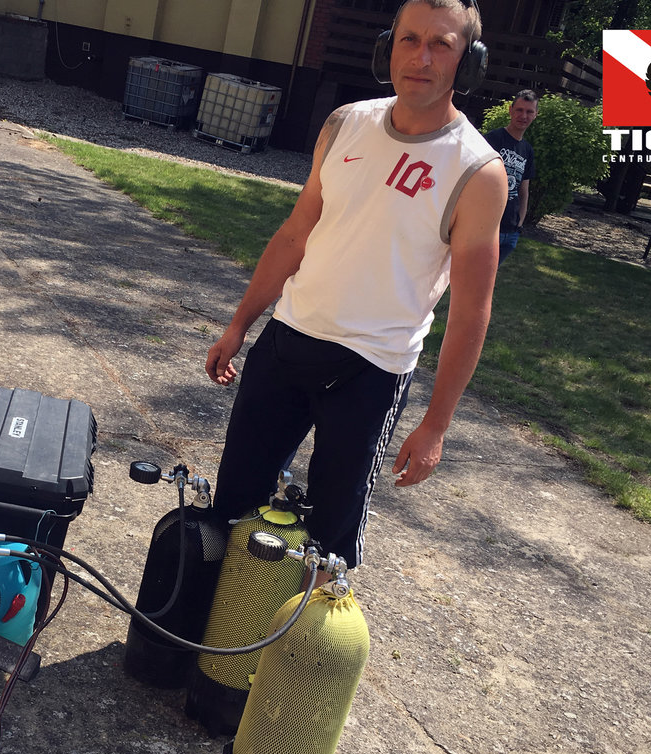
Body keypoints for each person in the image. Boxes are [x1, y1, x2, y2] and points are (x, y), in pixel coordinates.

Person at [204, 0, 507, 570]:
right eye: (409, 39)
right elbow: (295, 234)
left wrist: (435, 426)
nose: (421, 57)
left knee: (327, 548)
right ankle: (218, 623)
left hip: (370, 371)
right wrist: (239, 324)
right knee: (231, 510)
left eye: (440, 44)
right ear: (387, 47)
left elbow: (472, 311)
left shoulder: (477, 172)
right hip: (288, 341)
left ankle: (301, 631)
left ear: (469, 62)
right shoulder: (345, 124)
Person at [486, 90, 538, 263]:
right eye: (519, 110)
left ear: (535, 115)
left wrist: (520, 223)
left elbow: (524, 190)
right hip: (487, 227)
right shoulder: (492, 139)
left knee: (490, 277)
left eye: (529, 111)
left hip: (511, 231)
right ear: (510, 110)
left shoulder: (527, 150)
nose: (524, 116)